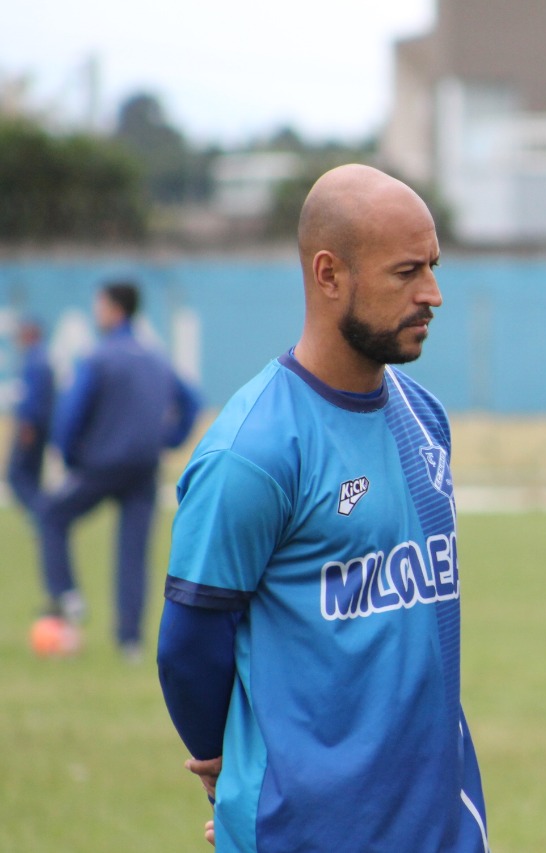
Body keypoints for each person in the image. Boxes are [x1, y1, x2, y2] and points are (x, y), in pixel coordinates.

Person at [156, 164, 489, 853]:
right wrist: (226, 765)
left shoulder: (425, 417)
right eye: (407, 273)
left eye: (433, 265)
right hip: (302, 830)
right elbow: (189, 645)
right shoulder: (252, 451)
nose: (434, 293)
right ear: (329, 274)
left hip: (440, 820)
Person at [38, 282, 200, 655]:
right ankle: (130, 642)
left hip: (102, 464)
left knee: (51, 515)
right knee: (133, 553)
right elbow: (191, 402)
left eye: (100, 305)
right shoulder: (156, 357)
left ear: (114, 310)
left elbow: (70, 413)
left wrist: (69, 455)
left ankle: (67, 595)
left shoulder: (99, 357)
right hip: (144, 466)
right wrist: (169, 439)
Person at [6, 318, 55, 515]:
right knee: (31, 477)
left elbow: (33, 398)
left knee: (17, 475)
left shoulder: (35, 360)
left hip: (31, 427)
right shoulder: (41, 357)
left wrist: (28, 427)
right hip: (38, 426)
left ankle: (42, 516)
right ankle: (43, 517)